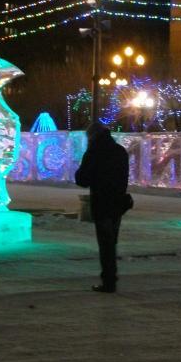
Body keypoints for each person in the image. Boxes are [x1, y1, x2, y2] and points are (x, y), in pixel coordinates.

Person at [75, 123, 129, 293]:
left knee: (105, 244)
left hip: (102, 203)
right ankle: (110, 278)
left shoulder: (93, 153)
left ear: (92, 136)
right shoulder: (120, 151)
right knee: (111, 241)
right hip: (118, 203)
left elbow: (83, 179)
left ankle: (109, 281)